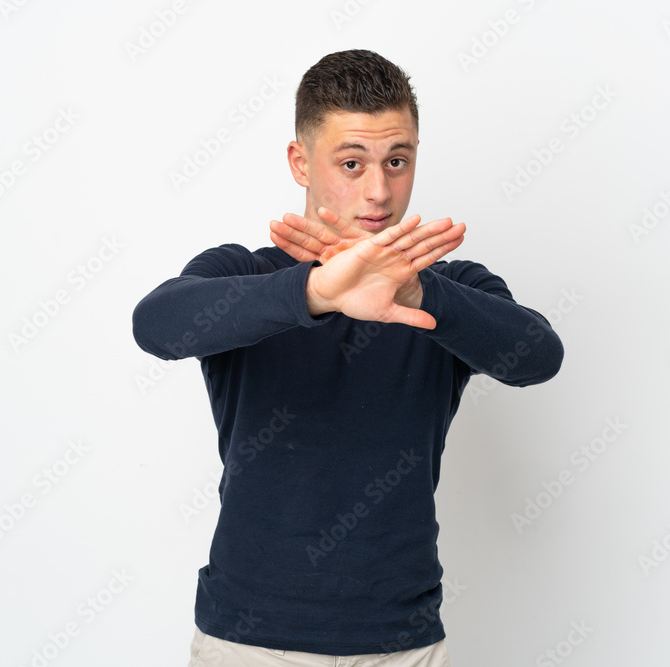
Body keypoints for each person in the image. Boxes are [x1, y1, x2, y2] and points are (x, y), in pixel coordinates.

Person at [133, 49, 564, 666]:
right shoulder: (244, 275)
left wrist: (416, 289)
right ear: (300, 163)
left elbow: (537, 356)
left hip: (400, 641)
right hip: (246, 640)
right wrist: (312, 292)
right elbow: (155, 325)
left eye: (397, 161)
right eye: (351, 162)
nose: (378, 191)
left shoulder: (447, 290)